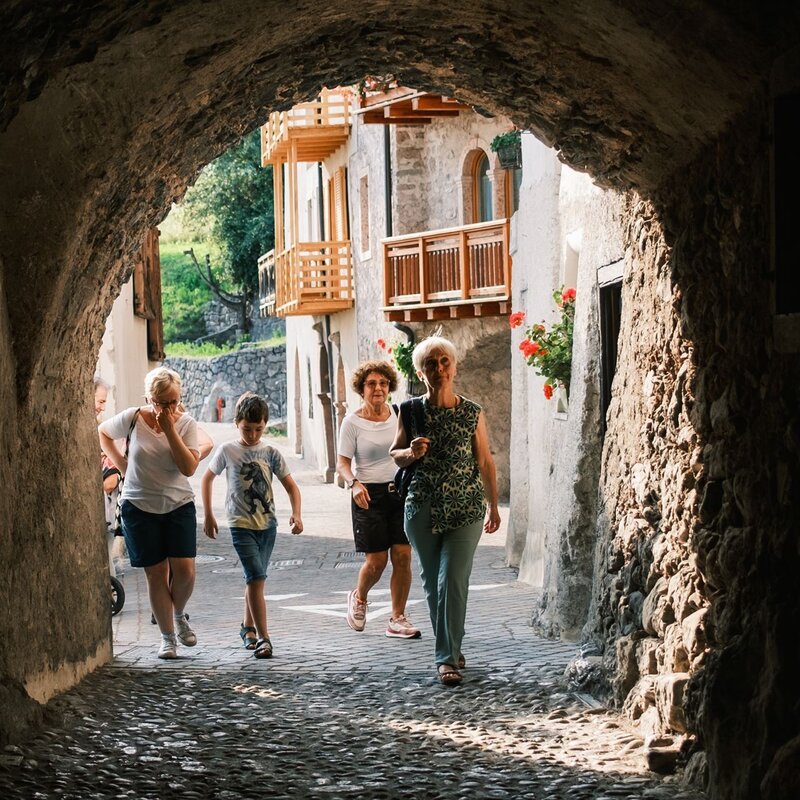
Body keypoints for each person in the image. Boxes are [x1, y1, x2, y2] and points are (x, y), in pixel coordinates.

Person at [390, 335, 501, 686]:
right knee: (433, 582)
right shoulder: (410, 411)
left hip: (466, 507)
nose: (439, 369)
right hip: (422, 506)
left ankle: (446, 659)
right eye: (430, 364)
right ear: (420, 373)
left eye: (444, 362)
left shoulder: (472, 412)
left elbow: (485, 461)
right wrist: (411, 453)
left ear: (453, 367)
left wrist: (494, 506)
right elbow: (395, 454)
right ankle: (451, 645)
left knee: (452, 578)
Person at [99, 366, 201, 659]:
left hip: (178, 504)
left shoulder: (186, 424)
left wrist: (169, 430)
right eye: (162, 402)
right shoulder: (133, 417)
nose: (169, 408)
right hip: (140, 507)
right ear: (149, 399)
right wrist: (122, 465)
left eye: (174, 401)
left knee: (185, 572)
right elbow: (103, 432)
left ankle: (178, 614)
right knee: (156, 575)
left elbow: (189, 467)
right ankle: (168, 639)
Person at [201, 391, 303, 659]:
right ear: (237, 423)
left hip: (268, 526)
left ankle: (247, 628)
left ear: (265, 425)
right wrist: (209, 515)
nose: (253, 435)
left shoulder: (271, 452)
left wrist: (297, 514)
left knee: (254, 581)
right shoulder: (228, 450)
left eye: (259, 429)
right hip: (240, 524)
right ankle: (264, 638)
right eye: (247, 429)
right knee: (256, 577)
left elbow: (291, 486)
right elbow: (207, 478)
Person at [337, 360, 421, 639]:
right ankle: (359, 597)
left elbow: (406, 452)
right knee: (376, 561)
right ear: (361, 389)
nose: (378, 388)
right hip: (368, 496)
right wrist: (354, 484)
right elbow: (342, 463)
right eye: (372, 384)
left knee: (403, 556)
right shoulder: (352, 422)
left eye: (383, 383)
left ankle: (397, 618)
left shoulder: (398, 414)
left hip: (399, 493)